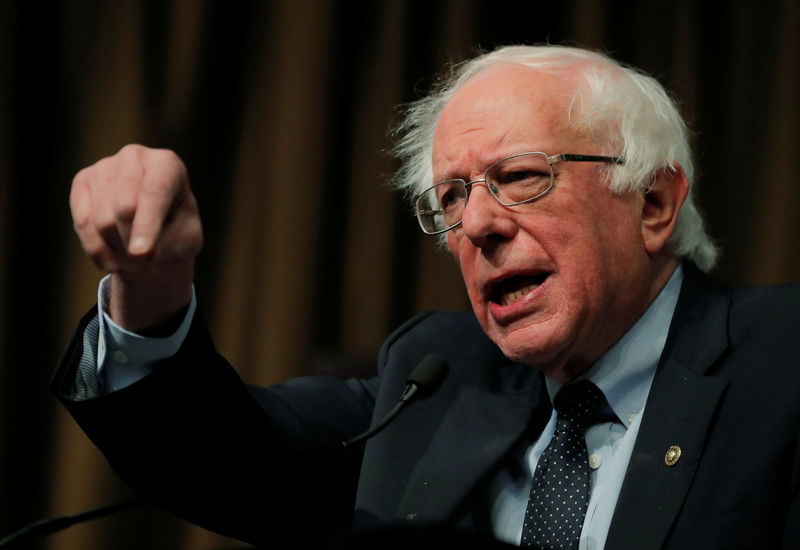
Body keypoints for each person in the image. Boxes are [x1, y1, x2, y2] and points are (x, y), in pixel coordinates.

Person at [52, 45, 800, 549]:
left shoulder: (783, 358)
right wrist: (149, 287)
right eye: (451, 196)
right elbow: (217, 457)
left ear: (653, 204)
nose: (474, 223)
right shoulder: (439, 375)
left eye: (520, 175)